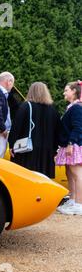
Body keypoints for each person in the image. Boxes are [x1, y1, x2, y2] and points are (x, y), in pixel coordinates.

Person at [8, 82, 60, 178]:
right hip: (46, 151)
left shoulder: (25, 106)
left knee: (26, 177)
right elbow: (57, 131)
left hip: (27, 150)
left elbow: (16, 127)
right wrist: (54, 150)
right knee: (43, 179)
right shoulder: (53, 110)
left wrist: (11, 144)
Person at [55, 81, 82, 215]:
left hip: (74, 145)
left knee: (77, 174)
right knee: (69, 174)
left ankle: (79, 204)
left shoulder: (77, 107)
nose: (64, 93)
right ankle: (72, 200)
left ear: (74, 91)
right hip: (68, 145)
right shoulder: (71, 107)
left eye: (66, 90)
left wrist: (71, 143)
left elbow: (78, 127)